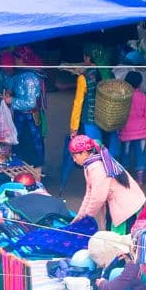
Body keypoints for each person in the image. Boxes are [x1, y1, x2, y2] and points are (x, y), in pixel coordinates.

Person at [68, 135, 146, 233]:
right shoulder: (91, 164)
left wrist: (86, 219)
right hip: (121, 205)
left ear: (84, 153)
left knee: (121, 243)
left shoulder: (97, 168)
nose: (74, 160)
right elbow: (89, 194)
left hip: (126, 209)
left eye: (75, 156)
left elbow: (97, 198)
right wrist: (80, 217)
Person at [60, 44, 110, 190]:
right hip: (107, 121)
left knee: (92, 154)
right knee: (105, 152)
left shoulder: (84, 77)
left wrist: (74, 127)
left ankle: (96, 185)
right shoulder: (107, 74)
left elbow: (78, 103)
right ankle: (108, 181)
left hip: (90, 121)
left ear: (87, 58)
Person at [116, 71, 146, 185]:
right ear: (140, 84)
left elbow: (118, 114)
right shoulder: (143, 97)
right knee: (140, 153)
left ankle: (125, 178)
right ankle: (140, 179)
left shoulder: (122, 97)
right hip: (141, 132)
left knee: (125, 153)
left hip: (126, 131)